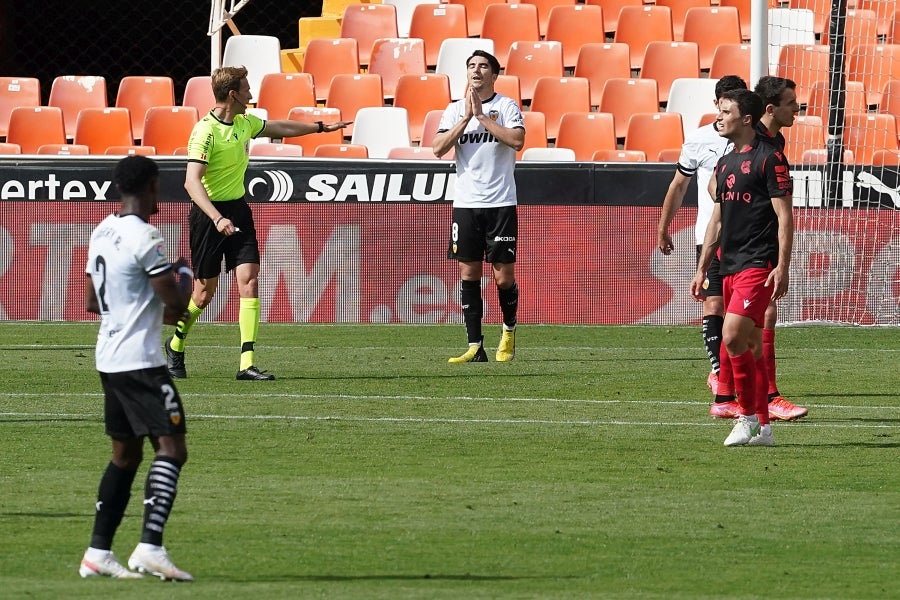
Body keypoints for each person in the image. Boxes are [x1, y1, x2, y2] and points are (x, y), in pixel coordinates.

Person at [167, 65, 350, 380]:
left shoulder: (244, 122)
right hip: (208, 216)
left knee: (249, 279)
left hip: (238, 211)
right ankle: (175, 344)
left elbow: (279, 126)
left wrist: (320, 127)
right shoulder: (204, 131)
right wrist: (216, 217)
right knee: (202, 295)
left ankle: (246, 364)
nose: (252, 93)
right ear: (234, 94)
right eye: (247, 88)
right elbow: (191, 183)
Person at [80, 156, 194, 580]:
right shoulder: (145, 236)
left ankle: (97, 554)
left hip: (108, 358)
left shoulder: (102, 231)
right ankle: (150, 547)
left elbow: (94, 301)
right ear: (150, 186)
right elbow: (178, 300)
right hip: (141, 363)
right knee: (172, 448)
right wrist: (184, 270)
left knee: (125, 456)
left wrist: (149, 308)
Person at [690, 89, 794, 447]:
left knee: (732, 335)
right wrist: (703, 267)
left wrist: (782, 266)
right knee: (750, 345)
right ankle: (764, 427)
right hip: (728, 264)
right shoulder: (724, 163)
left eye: (726, 111)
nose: (720, 117)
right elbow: (717, 221)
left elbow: (785, 217)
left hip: (757, 264)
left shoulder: (770, 159)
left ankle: (746, 415)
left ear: (746, 119)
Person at [657, 75, 748, 419]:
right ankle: (717, 371)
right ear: (716, 104)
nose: (726, 112)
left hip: (745, 236)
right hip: (709, 236)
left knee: (741, 312)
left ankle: (738, 375)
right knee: (713, 304)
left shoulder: (754, 142)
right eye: (723, 103)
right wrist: (664, 227)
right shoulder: (698, 140)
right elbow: (679, 185)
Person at [432, 50, 525, 363]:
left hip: (500, 203)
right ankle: (475, 346)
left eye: (483, 66)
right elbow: (437, 148)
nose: (476, 70)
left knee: (503, 279)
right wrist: (467, 117)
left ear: (494, 75)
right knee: (469, 274)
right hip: (466, 204)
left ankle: (509, 331)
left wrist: (483, 116)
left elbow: (517, 141)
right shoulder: (454, 110)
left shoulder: (506, 106)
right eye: (471, 65)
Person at [752, 76, 809, 421]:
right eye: (792, 103)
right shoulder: (750, 138)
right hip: (747, 239)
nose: (797, 109)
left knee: (756, 316)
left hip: (760, 236)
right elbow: (719, 184)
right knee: (756, 316)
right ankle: (765, 395)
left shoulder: (777, 140)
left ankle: (728, 385)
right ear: (770, 108)